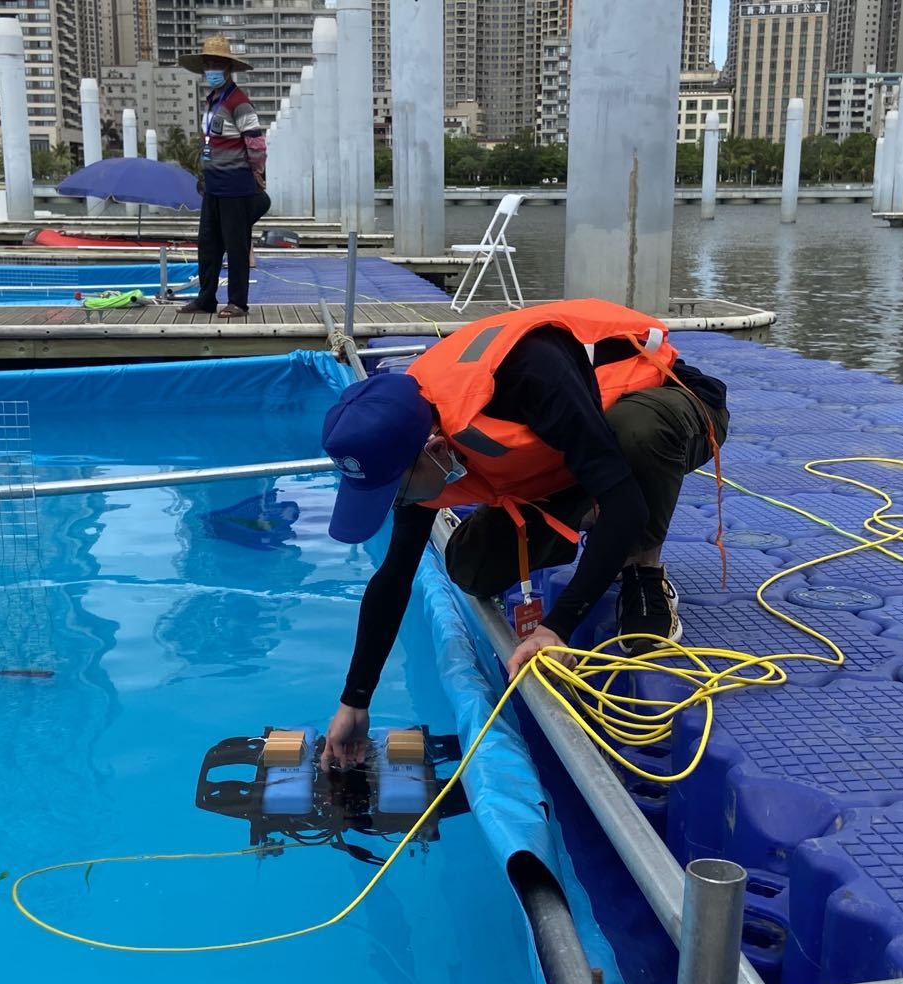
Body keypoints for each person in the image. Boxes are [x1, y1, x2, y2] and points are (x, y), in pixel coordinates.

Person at [318, 299, 730, 769]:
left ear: (433, 450)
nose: (397, 503)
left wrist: (557, 628)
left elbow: (627, 504)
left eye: (395, 491)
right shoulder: (409, 442)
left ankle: (643, 569)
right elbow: (394, 577)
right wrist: (355, 700)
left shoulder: (532, 374)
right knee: (471, 568)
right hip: (576, 452)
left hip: (674, 408)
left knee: (634, 438)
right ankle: (596, 513)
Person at [178, 36, 271, 320]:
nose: (211, 69)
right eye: (208, 64)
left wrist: (256, 173)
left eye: (217, 63)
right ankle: (206, 298)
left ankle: (238, 303)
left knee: (236, 246)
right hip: (214, 186)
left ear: (229, 67)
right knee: (207, 245)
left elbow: (255, 144)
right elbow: (212, 142)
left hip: (236, 186)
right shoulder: (213, 100)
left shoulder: (239, 102)